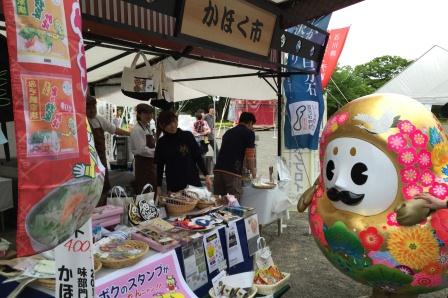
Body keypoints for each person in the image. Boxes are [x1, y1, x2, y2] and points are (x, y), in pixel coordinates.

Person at [155, 110, 212, 194]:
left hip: (192, 180)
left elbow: (197, 157)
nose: (173, 125)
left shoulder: (187, 136)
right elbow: (159, 165)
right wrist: (158, 186)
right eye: (169, 124)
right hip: (174, 184)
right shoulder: (161, 142)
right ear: (162, 126)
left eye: (174, 121)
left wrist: (206, 175)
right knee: (177, 206)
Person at [86, 95, 130, 205]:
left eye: (93, 106)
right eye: (89, 107)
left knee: (104, 185)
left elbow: (114, 129)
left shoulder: (99, 119)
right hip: (88, 160)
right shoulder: (81, 121)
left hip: (101, 159)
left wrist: (130, 134)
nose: (92, 109)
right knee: (91, 187)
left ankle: (105, 209)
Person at [213, 112, 257, 199]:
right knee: (234, 202)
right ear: (250, 122)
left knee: (221, 202)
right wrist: (253, 172)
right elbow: (250, 156)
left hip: (218, 170)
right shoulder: (249, 133)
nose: (252, 127)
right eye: (252, 125)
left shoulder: (228, 132)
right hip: (232, 172)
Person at [130, 104, 157, 195]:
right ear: (139, 114)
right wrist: (157, 152)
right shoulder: (137, 129)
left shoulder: (147, 128)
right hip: (142, 164)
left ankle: (151, 207)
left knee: (151, 189)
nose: (149, 116)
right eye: (145, 113)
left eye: (150, 113)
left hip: (150, 164)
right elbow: (142, 150)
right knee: (144, 190)